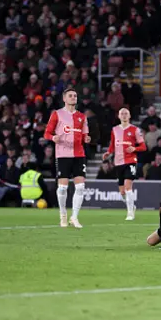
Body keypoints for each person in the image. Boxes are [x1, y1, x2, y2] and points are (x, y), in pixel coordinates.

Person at [45, 86, 90, 228]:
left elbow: (84, 135)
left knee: (81, 186)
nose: (73, 98)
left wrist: (87, 138)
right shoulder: (57, 114)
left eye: (75, 96)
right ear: (64, 98)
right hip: (63, 154)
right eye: (70, 96)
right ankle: (63, 215)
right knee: (63, 188)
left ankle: (74, 217)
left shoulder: (82, 117)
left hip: (79, 154)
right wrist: (53, 138)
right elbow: (47, 133)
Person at [103, 108, 147, 220]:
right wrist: (108, 152)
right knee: (122, 192)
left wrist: (134, 148)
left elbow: (143, 147)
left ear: (130, 116)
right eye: (121, 113)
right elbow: (112, 145)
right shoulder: (114, 130)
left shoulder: (135, 130)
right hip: (118, 163)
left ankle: (130, 213)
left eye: (126, 113)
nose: (124, 115)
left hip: (131, 161)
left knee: (128, 187)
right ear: (118, 116)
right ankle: (132, 206)